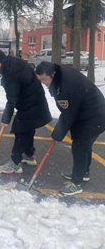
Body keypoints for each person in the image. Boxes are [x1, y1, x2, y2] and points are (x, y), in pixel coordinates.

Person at [35, 62, 105, 196]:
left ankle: (76, 183)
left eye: (44, 79)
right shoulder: (60, 74)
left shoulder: (67, 86)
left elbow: (67, 115)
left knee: (80, 146)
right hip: (86, 112)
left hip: (94, 115)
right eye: (40, 80)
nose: (43, 83)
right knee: (85, 145)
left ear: (53, 74)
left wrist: (57, 135)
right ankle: (83, 172)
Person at [0, 50, 52, 174]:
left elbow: (11, 100)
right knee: (28, 128)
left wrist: (5, 119)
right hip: (35, 99)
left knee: (21, 130)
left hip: (30, 103)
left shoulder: (11, 75)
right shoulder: (14, 62)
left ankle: (15, 163)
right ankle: (29, 155)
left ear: (2, 61)